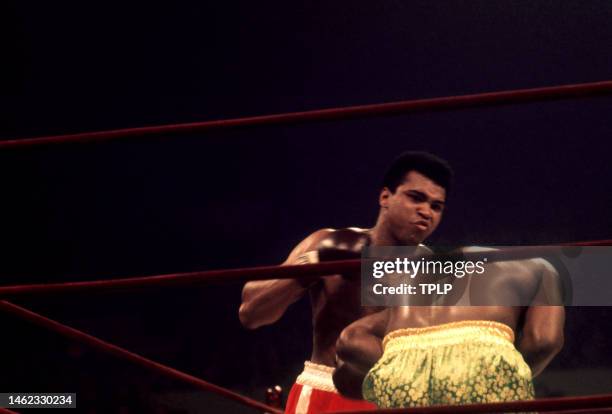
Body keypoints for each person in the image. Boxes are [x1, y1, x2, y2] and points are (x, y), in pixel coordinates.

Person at [239, 151, 452, 413]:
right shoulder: (326, 242)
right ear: (385, 197)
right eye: (416, 198)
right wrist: (313, 264)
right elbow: (251, 313)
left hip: (399, 397)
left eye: (436, 206)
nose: (425, 212)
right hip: (327, 390)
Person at [333, 235, 565, 406]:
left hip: (401, 367)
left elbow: (350, 338)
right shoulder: (540, 267)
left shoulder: (411, 285)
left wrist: (404, 365)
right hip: (485, 359)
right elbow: (543, 341)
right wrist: (500, 372)